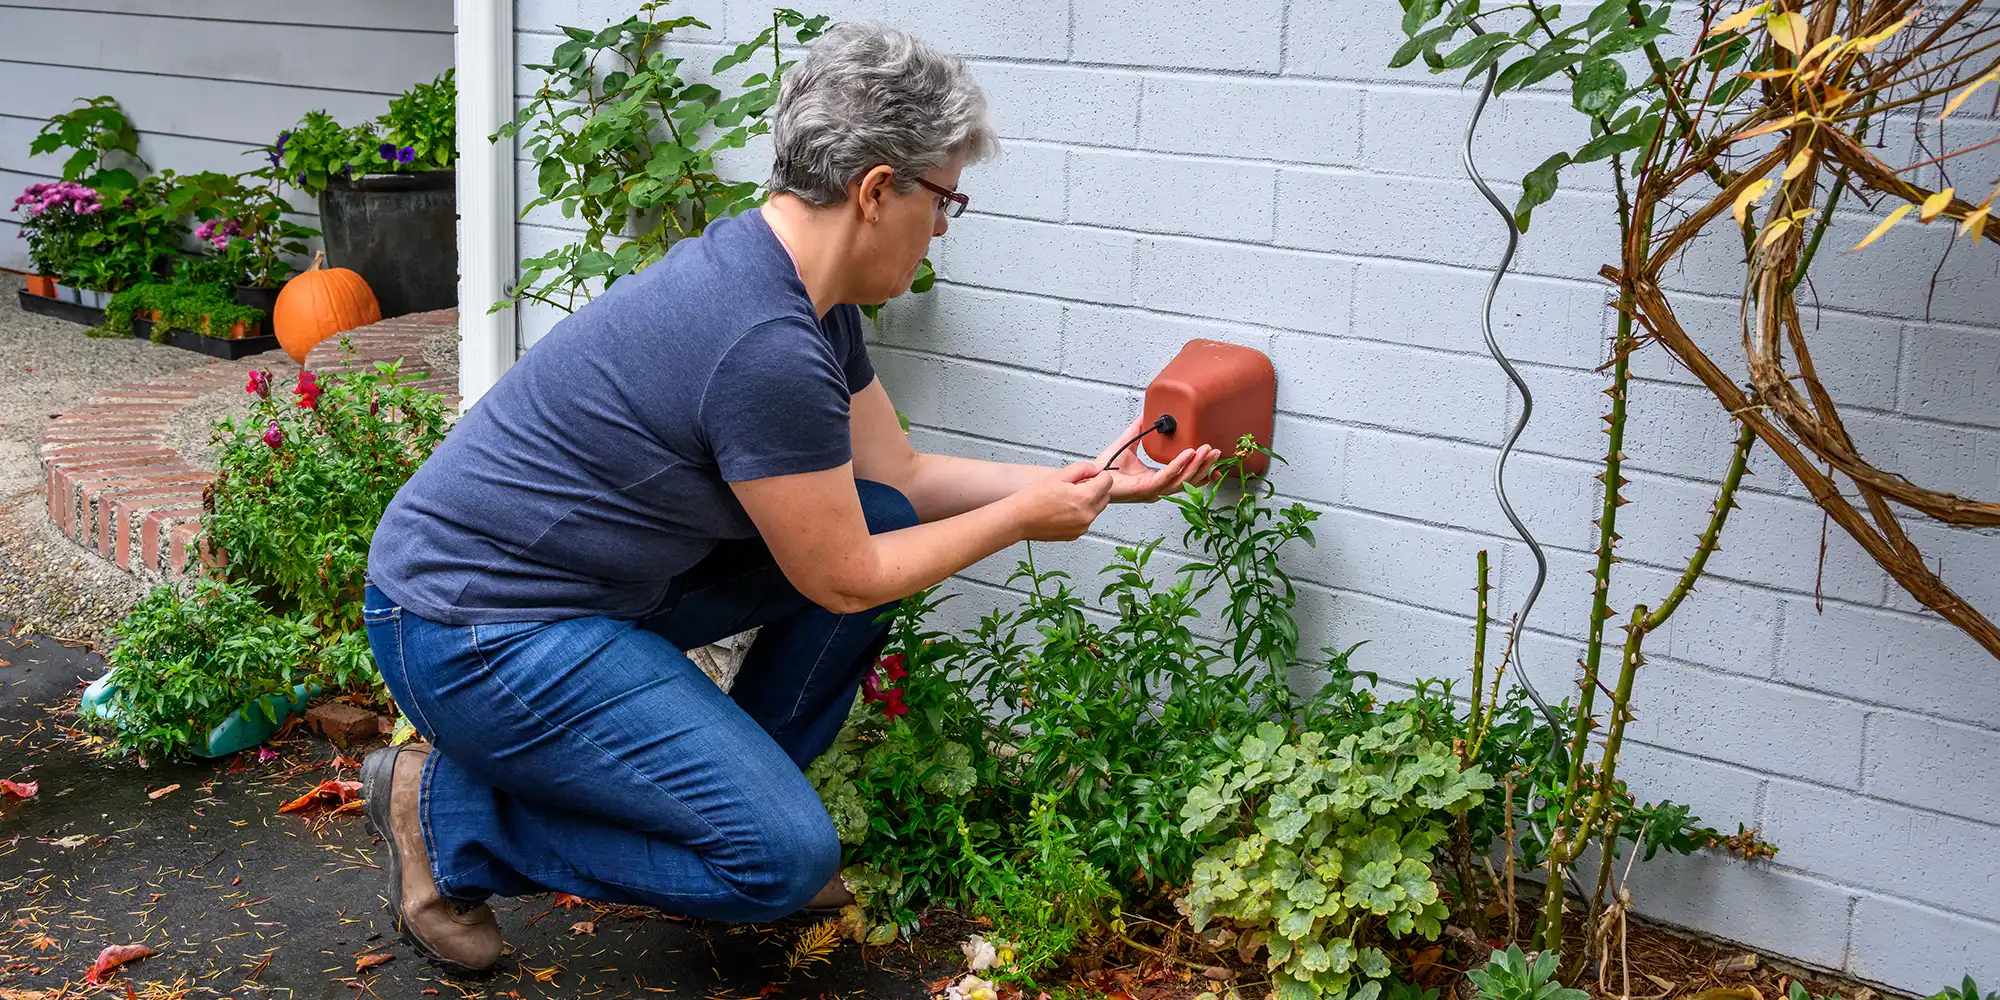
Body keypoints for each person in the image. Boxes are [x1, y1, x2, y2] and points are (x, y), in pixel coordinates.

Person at [356, 21, 1222, 975]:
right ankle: (449, 822)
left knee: (885, 519)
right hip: (469, 626)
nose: (942, 227)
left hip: (582, 588)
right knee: (780, 861)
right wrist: (1021, 521)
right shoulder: (762, 341)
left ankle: (738, 801)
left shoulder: (803, 296)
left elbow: (897, 479)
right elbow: (846, 580)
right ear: (877, 189)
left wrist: (1085, 482)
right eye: (945, 199)